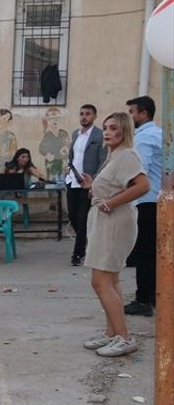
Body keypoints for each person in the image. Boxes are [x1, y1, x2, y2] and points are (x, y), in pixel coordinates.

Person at [80, 112, 151, 357]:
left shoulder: (128, 155)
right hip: (106, 220)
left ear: (124, 131)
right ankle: (113, 333)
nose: (107, 132)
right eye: (105, 128)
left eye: (113, 128)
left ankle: (124, 337)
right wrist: (94, 187)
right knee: (111, 280)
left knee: (100, 281)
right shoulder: (115, 156)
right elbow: (116, 185)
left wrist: (111, 202)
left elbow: (143, 185)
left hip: (114, 221)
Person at [123, 95, 162, 317]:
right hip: (156, 199)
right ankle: (155, 296)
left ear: (143, 114)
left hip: (147, 201)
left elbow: (139, 171)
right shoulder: (157, 134)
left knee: (145, 253)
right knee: (153, 252)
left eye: (132, 112)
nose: (131, 117)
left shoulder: (145, 138)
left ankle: (143, 299)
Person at [65, 104, 105, 267]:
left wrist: (95, 180)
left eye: (88, 114)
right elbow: (72, 156)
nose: (84, 117)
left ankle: (78, 254)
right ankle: (87, 242)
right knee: (72, 215)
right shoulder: (76, 134)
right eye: (81, 114)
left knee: (82, 218)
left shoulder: (99, 135)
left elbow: (102, 160)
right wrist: (67, 169)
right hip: (72, 180)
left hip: (87, 183)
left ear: (94, 116)